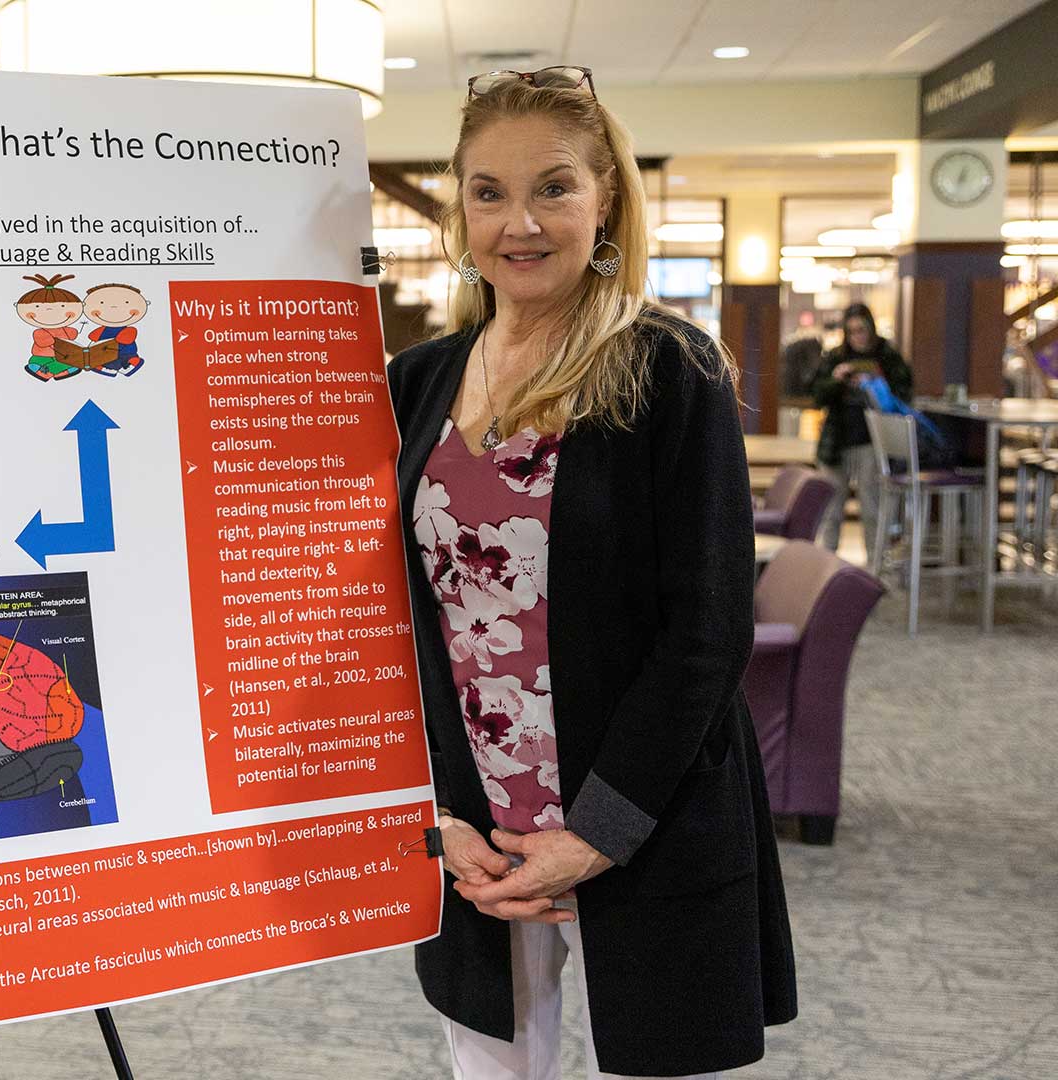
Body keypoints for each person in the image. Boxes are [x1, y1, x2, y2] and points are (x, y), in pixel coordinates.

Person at [386, 67, 795, 1078]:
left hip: (636, 816)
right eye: (488, 192)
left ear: (606, 197)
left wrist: (596, 832)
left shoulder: (669, 371)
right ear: (460, 211)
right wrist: (435, 808)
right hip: (477, 830)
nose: (519, 222)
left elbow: (705, 631)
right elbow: (396, 617)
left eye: (553, 187)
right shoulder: (418, 380)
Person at [808, 302, 912, 550]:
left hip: (872, 441)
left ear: (871, 328)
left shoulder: (887, 355)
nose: (858, 336)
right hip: (837, 441)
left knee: (872, 509)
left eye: (862, 329)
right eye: (852, 330)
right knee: (830, 510)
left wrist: (877, 382)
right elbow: (817, 395)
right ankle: (825, 566)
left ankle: (875, 570)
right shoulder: (836, 356)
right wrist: (837, 380)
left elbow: (904, 392)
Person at [14, 273, 85, 381]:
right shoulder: (39, 332)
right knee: (34, 363)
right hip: (42, 357)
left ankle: (48, 372)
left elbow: (73, 335)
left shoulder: (65, 329)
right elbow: (44, 342)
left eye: (62, 306)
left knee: (72, 363)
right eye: (37, 307)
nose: (50, 312)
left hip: (62, 357)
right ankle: (52, 371)